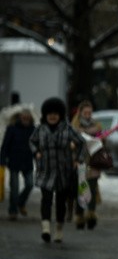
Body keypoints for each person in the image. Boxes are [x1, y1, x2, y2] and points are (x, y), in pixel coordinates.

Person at [29, 97, 85, 243]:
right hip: (45, 170)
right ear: (45, 115)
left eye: (55, 113)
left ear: (60, 115)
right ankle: (46, 228)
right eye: (49, 114)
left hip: (63, 171)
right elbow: (31, 141)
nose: (52, 116)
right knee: (46, 200)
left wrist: (78, 160)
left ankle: (59, 229)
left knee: (61, 202)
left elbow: (82, 143)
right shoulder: (40, 129)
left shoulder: (67, 129)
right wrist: (36, 152)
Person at [71, 100, 104, 229]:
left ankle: (91, 215)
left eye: (90, 112)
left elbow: (103, 142)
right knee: (82, 190)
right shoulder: (75, 127)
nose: (88, 115)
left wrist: (100, 139)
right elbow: (71, 145)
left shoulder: (97, 126)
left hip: (94, 161)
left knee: (93, 188)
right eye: (85, 112)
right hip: (81, 162)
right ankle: (79, 216)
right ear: (80, 113)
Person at [0, 108, 35, 220]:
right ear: (20, 118)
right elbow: (5, 145)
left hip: (27, 162)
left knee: (30, 184)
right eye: (23, 117)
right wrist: (2, 160)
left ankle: (20, 202)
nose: (25, 120)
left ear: (30, 119)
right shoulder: (12, 129)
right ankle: (12, 210)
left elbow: (36, 146)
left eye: (27, 118)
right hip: (14, 161)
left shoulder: (33, 130)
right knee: (14, 188)